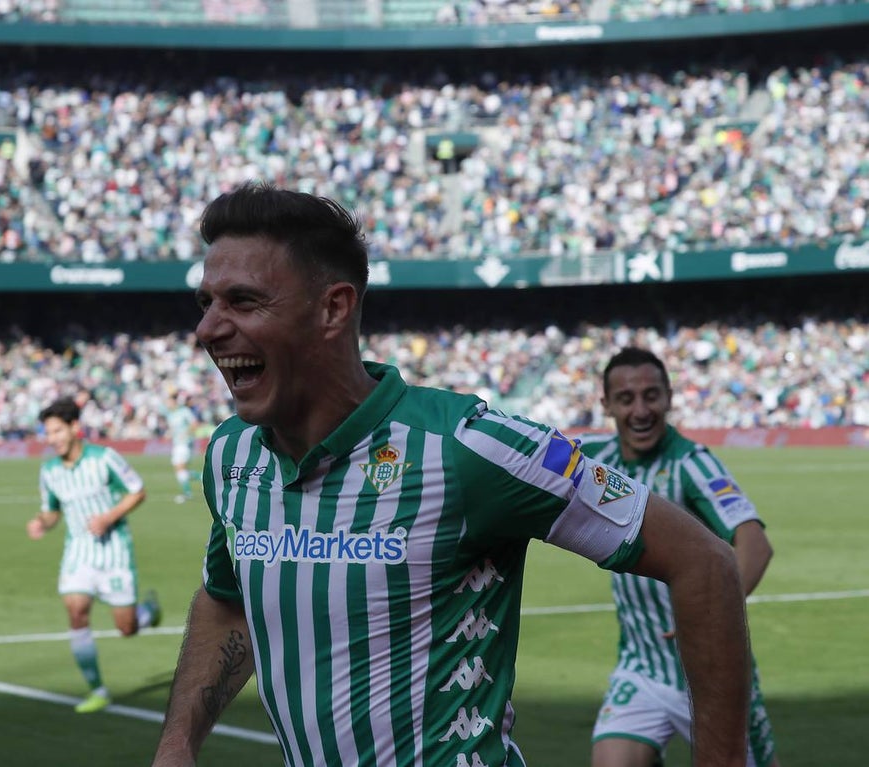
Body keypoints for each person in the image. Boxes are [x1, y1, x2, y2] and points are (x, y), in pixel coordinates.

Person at [151, 183, 753, 767]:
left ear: (334, 308)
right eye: (207, 303)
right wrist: (177, 744)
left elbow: (703, 560)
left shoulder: (468, 450)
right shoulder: (233, 457)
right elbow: (230, 601)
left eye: (244, 301)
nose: (207, 329)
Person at [582, 348, 780, 767]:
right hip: (642, 667)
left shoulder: (692, 463)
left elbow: (755, 543)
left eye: (652, 396)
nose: (640, 410)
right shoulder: (596, 460)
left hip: (713, 670)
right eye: (626, 398)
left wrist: (711, 613)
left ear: (670, 397)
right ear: (606, 405)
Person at [27, 395, 162, 714]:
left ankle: (147, 613)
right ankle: (97, 690)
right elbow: (51, 511)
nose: (53, 439)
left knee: (126, 629)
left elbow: (137, 491)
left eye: (58, 431)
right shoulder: (49, 471)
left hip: (114, 553)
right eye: (48, 433)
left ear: (75, 428)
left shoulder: (105, 458)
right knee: (76, 612)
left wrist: (108, 517)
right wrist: (41, 523)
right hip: (78, 553)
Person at [165, 393, 199, 503]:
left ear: (174, 402)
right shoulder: (170, 415)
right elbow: (174, 429)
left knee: (180, 468)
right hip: (177, 444)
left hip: (184, 443)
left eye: (169, 401)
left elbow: (194, 424)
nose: (167, 404)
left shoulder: (184, 411)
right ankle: (203, 477)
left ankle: (187, 493)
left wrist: (186, 434)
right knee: (180, 470)